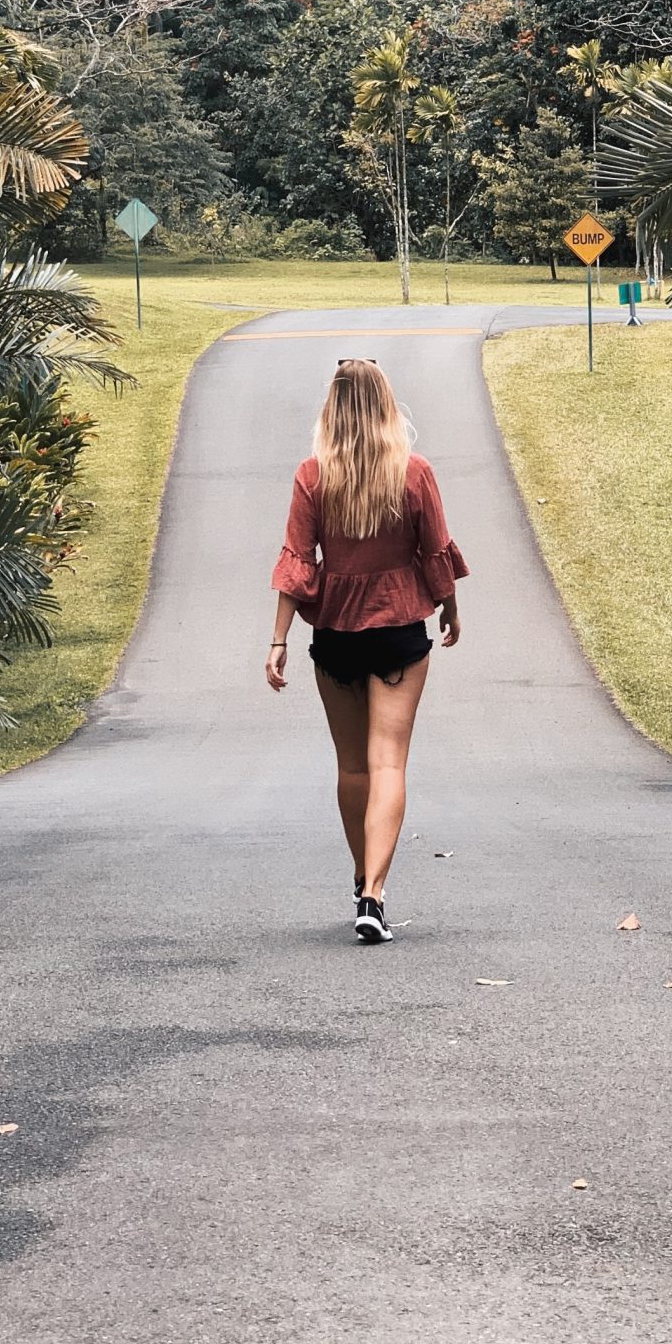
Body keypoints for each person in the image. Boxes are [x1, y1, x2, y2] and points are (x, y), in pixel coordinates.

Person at [266, 358, 467, 943]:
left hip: (334, 633)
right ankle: (375, 893)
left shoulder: (312, 475)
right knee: (390, 763)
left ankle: (361, 879)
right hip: (401, 627)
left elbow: (298, 563)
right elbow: (435, 553)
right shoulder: (415, 472)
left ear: (331, 407)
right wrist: (450, 608)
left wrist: (278, 639)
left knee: (353, 765)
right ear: (386, 404)